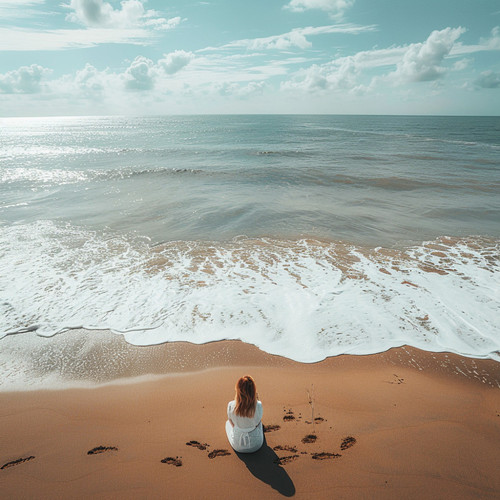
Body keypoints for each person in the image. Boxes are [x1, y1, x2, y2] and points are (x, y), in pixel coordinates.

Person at [225, 375, 264, 453]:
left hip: (237, 446)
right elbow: (257, 423)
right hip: (256, 445)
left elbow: (232, 424)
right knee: (259, 424)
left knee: (227, 423)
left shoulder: (231, 405)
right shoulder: (258, 405)